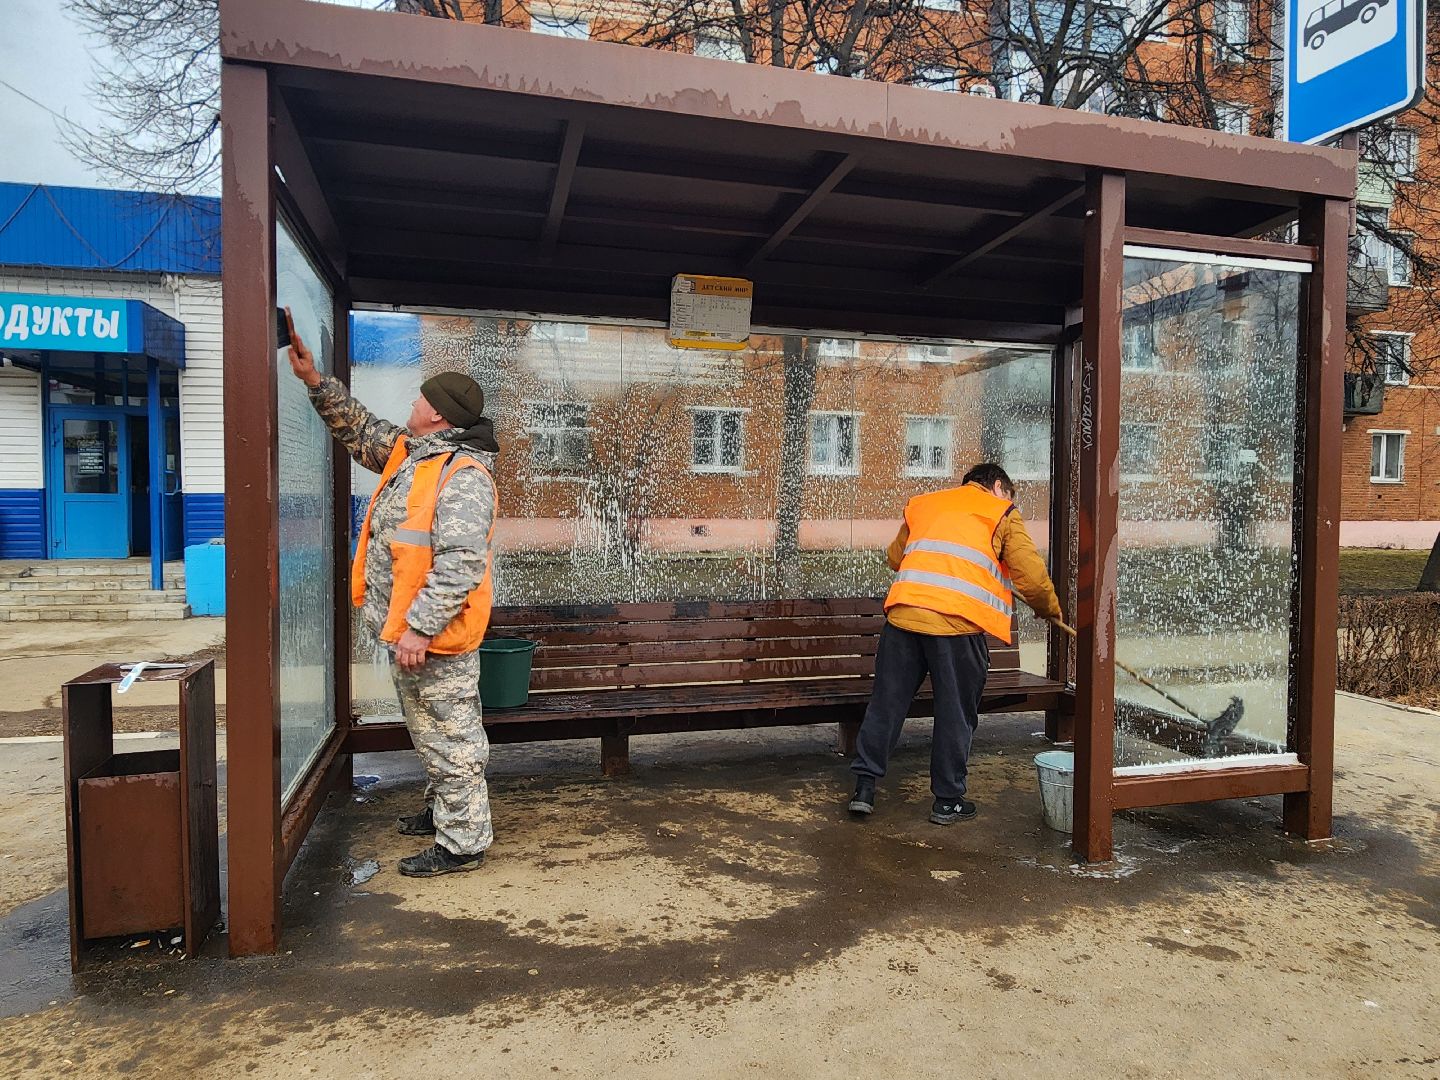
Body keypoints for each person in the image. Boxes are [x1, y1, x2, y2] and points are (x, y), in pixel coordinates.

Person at [285, 309, 500, 878]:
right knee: (429, 729)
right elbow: (361, 429)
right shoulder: (414, 455)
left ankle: (463, 842)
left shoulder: (464, 475)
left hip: (435, 637)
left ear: (436, 413)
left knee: (452, 736)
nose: (411, 404)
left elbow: (460, 564)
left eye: (419, 398)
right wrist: (314, 380)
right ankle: (443, 812)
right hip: (410, 631)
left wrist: (422, 628)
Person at [849, 463, 1062, 825]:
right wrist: (1049, 610)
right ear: (998, 487)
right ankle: (947, 801)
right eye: (1010, 496)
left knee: (886, 705)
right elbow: (1033, 578)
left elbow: (895, 557)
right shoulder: (1002, 513)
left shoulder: (926, 504)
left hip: (903, 620)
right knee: (954, 712)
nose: (1012, 503)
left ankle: (864, 788)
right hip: (956, 627)